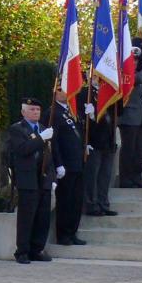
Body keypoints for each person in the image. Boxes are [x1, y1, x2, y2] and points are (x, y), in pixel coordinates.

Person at [6, 97, 56, 265]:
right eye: (32, 109)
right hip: (28, 178)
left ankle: (37, 249)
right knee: (26, 217)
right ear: (23, 112)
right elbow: (23, 149)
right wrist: (41, 138)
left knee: (43, 216)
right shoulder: (17, 129)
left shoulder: (44, 129)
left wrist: (53, 177)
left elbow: (49, 155)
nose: (36, 112)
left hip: (43, 178)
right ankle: (22, 251)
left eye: (38, 110)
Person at [48, 89, 87, 246]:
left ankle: (72, 232)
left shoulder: (72, 110)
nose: (66, 93)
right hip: (65, 164)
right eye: (62, 90)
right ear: (55, 93)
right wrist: (58, 164)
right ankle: (63, 235)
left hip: (77, 162)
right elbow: (54, 141)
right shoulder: (53, 112)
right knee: (65, 201)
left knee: (76, 201)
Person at [117, 39, 142, 189]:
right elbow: (136, 80)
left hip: (140, 117)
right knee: (129, 150)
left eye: (137, 60)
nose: (135, 62)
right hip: (128, 117)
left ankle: (136, 177)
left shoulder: (139, 72)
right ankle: (125, 179)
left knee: (139, 151)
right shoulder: (124, 73)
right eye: (133, 60)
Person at [80, 85, 118, 217]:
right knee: (92, 175)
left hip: (108, 140)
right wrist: (89, 116)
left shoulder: (109, 90)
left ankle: (103, 203)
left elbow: (117, 112)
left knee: (105, 176)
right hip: (94, 140)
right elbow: (79, 116)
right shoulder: (86, 93)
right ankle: (92, 205)